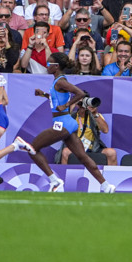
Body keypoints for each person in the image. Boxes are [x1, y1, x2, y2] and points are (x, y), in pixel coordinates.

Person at [25, 53, 115, 193]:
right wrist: (44, 95)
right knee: (82, 157)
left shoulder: (61, 81)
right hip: (68, 122)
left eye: (49, 64)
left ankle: (55, 181)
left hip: (63, 122)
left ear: (56, 66)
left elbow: (80, 93)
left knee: (32, 148)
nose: (47, 66)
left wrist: (66, 104)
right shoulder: (58, 81)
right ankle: (106, 185)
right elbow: (56, 100)